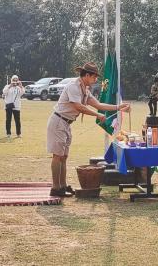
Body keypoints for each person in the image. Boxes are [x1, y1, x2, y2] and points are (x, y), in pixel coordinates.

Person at [47, 62, 131, 197]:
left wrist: (118, 107)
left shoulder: (85, 89)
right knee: (57, 156)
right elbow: (78, 106)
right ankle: (56, 188)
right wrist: (97, 115)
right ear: (87, 75)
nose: (96, 80)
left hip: (66, 123)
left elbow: (98, 104)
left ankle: (62, 186)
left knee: (64, 156)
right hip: (59, 121)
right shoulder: (73, 86)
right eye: (94, 77)